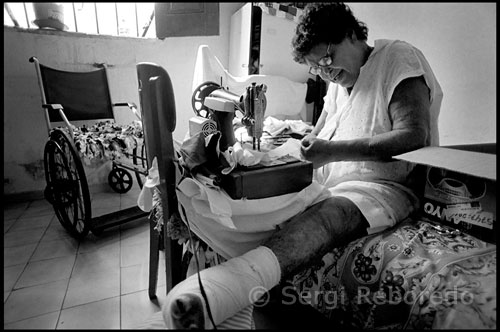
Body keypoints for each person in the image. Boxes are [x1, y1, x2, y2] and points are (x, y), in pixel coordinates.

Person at [161, 2, 443, 329]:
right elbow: (317, 134)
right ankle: (236, 291)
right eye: (316, 68)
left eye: (327, 58)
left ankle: (225, 289)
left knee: (330, 215)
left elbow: (413, 136)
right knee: (239, 199)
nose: (326, 72)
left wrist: (330, 151)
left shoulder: (397, 58)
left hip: (383, 189)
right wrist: (270, 145)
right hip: (328, 183)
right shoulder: (337, 85)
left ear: (351, 33)